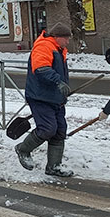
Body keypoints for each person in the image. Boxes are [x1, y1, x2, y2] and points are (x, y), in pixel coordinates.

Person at [15, 22, 74, 177]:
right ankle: (23, 150)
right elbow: (41, 68)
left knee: (60, 131)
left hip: (55, 98)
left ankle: (54, 166)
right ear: (57, 37)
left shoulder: (59, 49)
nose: (68, 42)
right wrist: (58, 82)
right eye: (66, 39)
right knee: (47, 129)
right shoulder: (44, 46)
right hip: (40, 96)